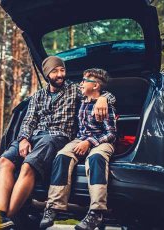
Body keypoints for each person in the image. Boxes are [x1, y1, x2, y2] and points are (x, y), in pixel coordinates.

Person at [0, 57, 115, 229]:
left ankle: (9, 218)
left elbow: (98, 90)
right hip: (34, 136)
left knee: (29, 165)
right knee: (5, 161)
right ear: (46, 74)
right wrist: (23, 139)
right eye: (55, 71)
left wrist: (104, 98)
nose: (60, 74)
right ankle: (0, 216)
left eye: (62, 70)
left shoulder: (73, 90)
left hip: (57, 137)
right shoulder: (38, 96)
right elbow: (28, 121)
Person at [39, 68, 117, 230]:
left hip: (101, 141)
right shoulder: (81, 100)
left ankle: (96, 211)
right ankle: (54, 206)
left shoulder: (104, 106)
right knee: (62, 156)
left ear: (95, 85)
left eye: (84, 81)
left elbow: (111, 133)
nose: (80, 83)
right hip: (79, 140)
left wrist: (89, 142)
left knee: (96, 159)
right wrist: (82, 141)